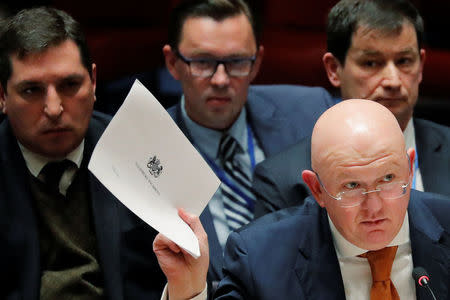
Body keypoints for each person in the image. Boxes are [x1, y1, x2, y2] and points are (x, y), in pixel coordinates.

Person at [154, 99, 450, 300]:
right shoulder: (259, 260)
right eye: (351, 186)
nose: (374, 207)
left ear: (410, 169)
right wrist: (189, 291)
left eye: (387, 180)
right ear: (317, 189)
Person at [163, 0, 335, 284]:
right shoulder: (148, 151)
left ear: (257, 63)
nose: (220, 79)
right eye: (203, 62)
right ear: (173, 63)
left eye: (237, 62)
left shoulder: (311, 115)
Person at [0, 7, 165, 299]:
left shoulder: (141, 148)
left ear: (93, 81)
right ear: (2, 96)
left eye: (69, 85)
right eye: (31, 90)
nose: (53, 108)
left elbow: (184, 277)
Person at [253, 0, 450, 217]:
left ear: (421, 65)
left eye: (404, 61)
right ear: (334, 69)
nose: (393, 81)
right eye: (371, 63)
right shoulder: (283, 181)